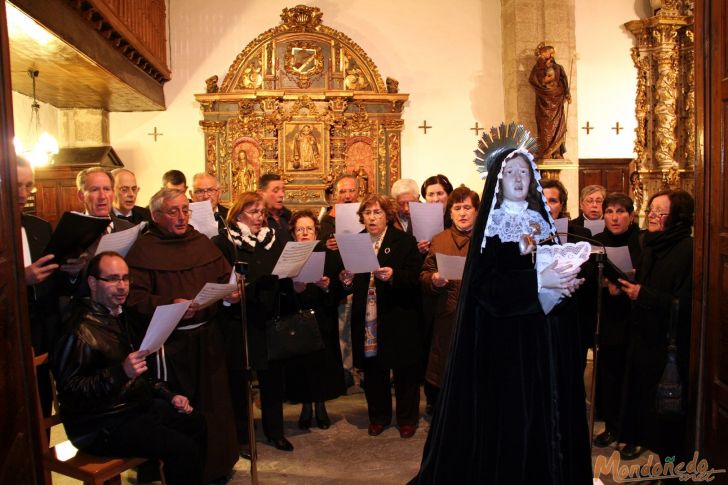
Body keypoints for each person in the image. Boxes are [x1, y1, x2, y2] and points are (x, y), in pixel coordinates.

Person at [412, 125, 592, 484]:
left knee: (544, 413)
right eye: (510, 172)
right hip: (503, 341)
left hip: (542, 339)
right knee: (510, 418)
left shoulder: (543, 222)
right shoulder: (491, 227)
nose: (519, 177)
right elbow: (484, 287)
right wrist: (539, 282)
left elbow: (554, 266)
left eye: (525, 171)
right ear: (497, 178)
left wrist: (566, 283)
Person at [51, 252, 207, 485]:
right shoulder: (79, 328)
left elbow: (142, 372)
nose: (122, 286)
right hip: (98, 425)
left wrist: (170, 395)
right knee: (183, 449)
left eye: (125, 278)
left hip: (130, 408)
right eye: (113, 279)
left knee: (196, 421)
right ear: (92, 283)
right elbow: (71, 392)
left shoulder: (120, 316)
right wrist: (120, 373)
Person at [124, 188, 239, 482]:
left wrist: (232, 294)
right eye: (173, 211)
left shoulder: (201, 242)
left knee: (213, 406)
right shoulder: (143, 250)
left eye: (185, 210)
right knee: (178, 410)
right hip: (170, 346)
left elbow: (226, 279)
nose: (181, 216)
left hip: (207, 339)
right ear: (156, 216)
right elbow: (134, 298)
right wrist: (168, 306)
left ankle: (216, 465)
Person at [212, 191, 295, 452]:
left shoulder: (274, 239)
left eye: (262, 212)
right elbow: (219, 278)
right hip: (240, 320)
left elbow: (284, 271)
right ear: (237, 214)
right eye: (254, 212)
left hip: (269, 318)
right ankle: (243, 436)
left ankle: (275, 431)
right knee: (241, 381)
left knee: (273, 380)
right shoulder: (225, 242)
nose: (260, 217)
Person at [616, 190, 694, 461]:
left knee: (669, 420)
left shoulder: (688, 249)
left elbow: (685, 303)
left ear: (676, 218)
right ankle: (661, 466)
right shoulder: (650, 244)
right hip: (645, 343)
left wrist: (643, 294)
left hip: (669, 346)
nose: (652, 214)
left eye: (660, 211)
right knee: (650, 416)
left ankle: (673, 471)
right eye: (651, 209)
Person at [339, 194, 424, 439]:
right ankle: (378, 417)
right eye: (367, 213)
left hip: (397, 314)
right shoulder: (355, 242)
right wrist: (346, 280)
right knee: (373, 370)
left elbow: (414, 277)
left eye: (377, 212)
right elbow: (346, 281)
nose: (372, 217)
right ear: (361, 217)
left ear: (387, 216)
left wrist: (394, 275)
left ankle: (407, 419)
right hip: (367, 317)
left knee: (404, 371)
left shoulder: (405, 241)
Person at [285, 210, 346, 430]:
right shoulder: (288, 256)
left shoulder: (329, 256)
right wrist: (294, 289)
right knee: (302, 366)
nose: (304, 233)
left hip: (323, 318)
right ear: (293, 233)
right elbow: (279, 291)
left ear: (316, 232)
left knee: (322, 364)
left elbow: (341, 289)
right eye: (299, 229)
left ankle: (320, 406)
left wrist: (328, 286)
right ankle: (305, 407)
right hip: (297, 319)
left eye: (309, 229)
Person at [591, 193, 643, 450]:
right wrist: (603, 284)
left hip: (636, 319)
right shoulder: (597, 242)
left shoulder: (642, 241)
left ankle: (633, 435)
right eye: (609, 211)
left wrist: (625, 287)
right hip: (609, 317)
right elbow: (587, 278)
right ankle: (612, 427)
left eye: (621, 212)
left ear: (632, 216)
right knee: (609, 375)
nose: (614, 217)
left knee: (632, 377)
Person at [419, 185, 478, 411]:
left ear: (476, 210)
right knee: (444, 366)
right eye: (457, 208)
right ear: (450, 212)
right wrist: (433, 280)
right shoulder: (439, 239)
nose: (462, 213)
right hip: (447, 314)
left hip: (477, 315)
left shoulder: (487, 240)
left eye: (467, 208)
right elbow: (424, 273)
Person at [17, 155, 60, 417]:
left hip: (43, 328)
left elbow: (53, 278)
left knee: (43, 402)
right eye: (17, 185)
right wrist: (21, 278)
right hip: (10, 332)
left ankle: (44, 455)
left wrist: (70, 270)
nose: (23, 193)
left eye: (28, 185)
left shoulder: (40, 227)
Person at [318, 174, 360, 388]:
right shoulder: (326, 220)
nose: (346, 195)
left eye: (351, 191)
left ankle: (362, 369)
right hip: (340, 280)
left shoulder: (366, 215)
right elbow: (322, 247)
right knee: (343, 326)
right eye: (342, 191)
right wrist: (328, 244)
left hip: (363, 278)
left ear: (358, 192)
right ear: (334, 195)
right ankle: (346, 371)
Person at [529, 43, 571, 160]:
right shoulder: (537, 69)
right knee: (545, 128)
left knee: (558, 125)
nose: (550, 54)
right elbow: (533, 80)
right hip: (543, 102)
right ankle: (545, 151)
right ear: (542, 53)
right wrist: (545, 85)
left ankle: (557, 152)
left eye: (552, 52)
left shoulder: (558, 67)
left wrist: (566, 93)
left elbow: (564, 80)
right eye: (547, 52)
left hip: (556, 101)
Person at [258, 173, 293, 244]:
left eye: (283, 191)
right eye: (275, 191)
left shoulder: (288, 216)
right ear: (261, 194)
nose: (282, 195)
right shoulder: (257, 219)